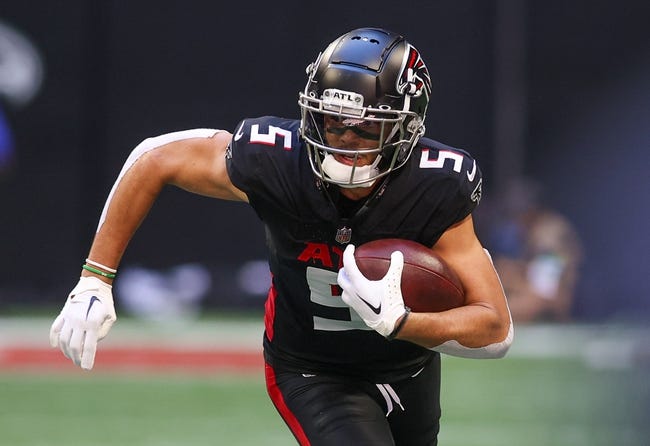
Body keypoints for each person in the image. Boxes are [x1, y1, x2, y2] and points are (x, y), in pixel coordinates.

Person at [49, 28, 513, 445]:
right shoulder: (277, 159)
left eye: (366, 127)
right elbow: (155, 158)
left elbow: (495, 330)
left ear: (407, 129)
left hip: (407, 367)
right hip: (312, 368)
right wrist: (95, 278)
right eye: (333, 121)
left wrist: (405, 323)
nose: (344, 140)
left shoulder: (435, 185)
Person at [481, 177, 582, 323]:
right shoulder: (532, 231)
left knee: (499, 298)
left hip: (552, 302)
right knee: (503, 268)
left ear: (531, 211)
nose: (514, 219)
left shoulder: (549, 234)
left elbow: (544, 290)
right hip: (539, 292)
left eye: (517, 212)